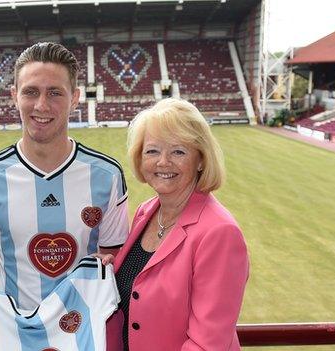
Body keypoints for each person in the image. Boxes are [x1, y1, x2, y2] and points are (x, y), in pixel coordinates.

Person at [0, 42, 129, 310]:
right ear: (14, 95)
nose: (41, 105)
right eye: (31, 92)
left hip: (86, 333)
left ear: (75, 97)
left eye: (55, 93)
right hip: (17, 334)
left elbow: (109, 264)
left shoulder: (107, 176)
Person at [104, 98, 249, 350]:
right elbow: (137, 287)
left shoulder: (219, 233)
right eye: (152, 151)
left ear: (201, 160)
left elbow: (207, 344)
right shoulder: (146, 212)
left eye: (178, 151)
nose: (163, 162)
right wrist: (107, 267)